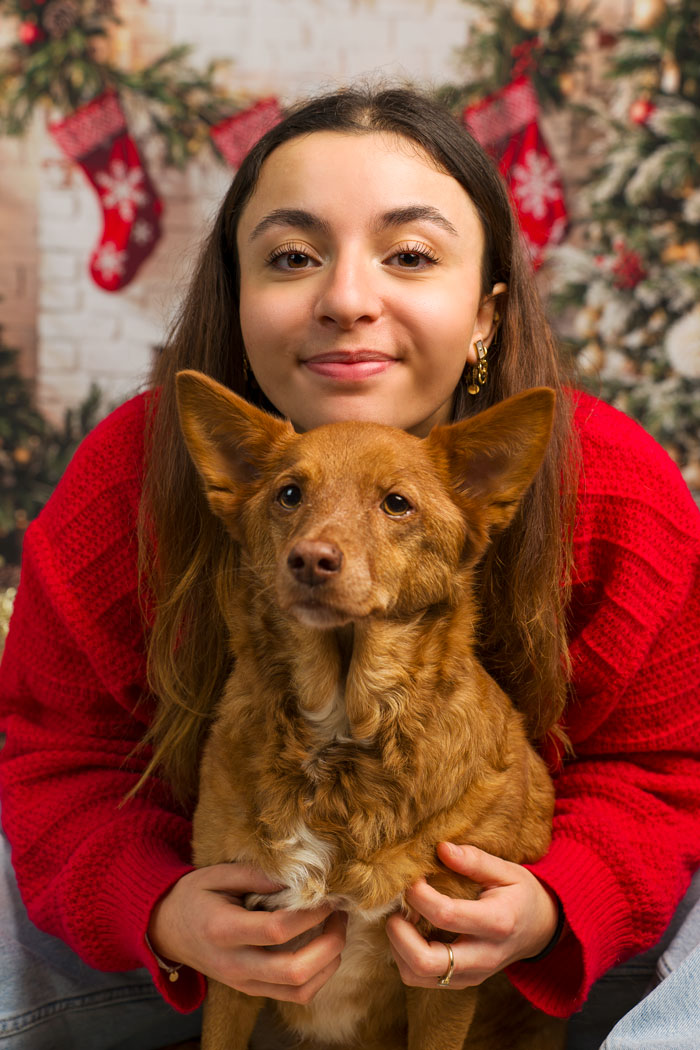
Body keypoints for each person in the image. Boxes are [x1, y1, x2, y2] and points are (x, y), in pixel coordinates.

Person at [0, 85, 699, 1050]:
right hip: (213, 942)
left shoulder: (610, 486)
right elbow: (53, 759)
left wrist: (552, 904)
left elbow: (664, 772)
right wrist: (158, 909)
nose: (346, 300)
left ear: (486, 314)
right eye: (293, 257)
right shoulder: (135, 475)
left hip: (539, 961)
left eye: (409, 255)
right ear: (239, 301)